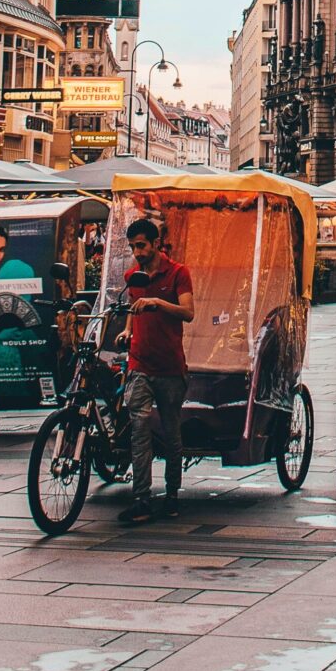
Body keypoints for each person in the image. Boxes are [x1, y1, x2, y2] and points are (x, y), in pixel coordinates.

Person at [117, 217, 194, 526]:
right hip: (139, 365)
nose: (137, 252)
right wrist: (125, 331)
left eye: (142, 246)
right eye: (133, 246)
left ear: (156, 244)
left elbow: (188, 312)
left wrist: (158, 303)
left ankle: (172, 494)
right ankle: (142, 498)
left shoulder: (178, 273)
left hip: (170, 367)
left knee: (172, 433)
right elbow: (133, 313)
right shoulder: (132, 277)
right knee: (138, 431)